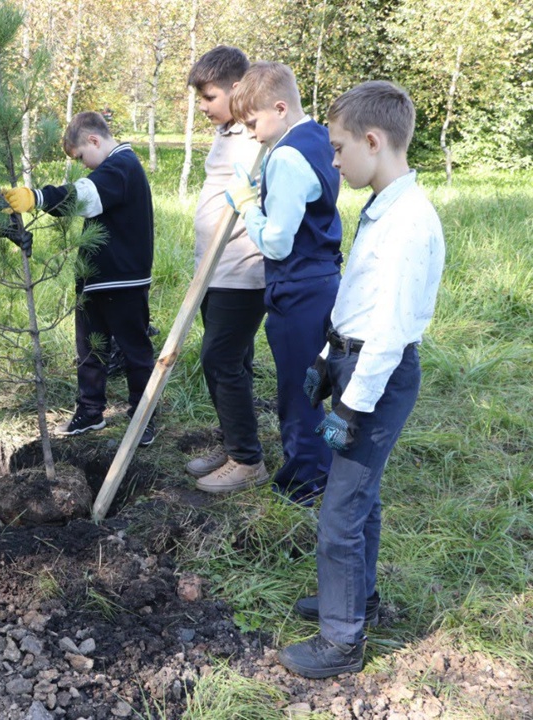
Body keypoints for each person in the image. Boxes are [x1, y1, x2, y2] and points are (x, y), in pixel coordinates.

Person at [278, 81, 445, 678]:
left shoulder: (409, 224)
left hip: (377, 374)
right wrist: (326, 357)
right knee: (360, 498)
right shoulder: (384, 209)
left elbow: (392, 329)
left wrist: (350, 407)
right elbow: (360, 300)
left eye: (339, 147)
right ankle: (358, 599)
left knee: (341, 509)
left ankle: (341, 641)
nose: (334, 159)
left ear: (373, 141)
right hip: (355, 363)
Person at [2, 111, 156, 447]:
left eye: (82, 157)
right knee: (89, 348)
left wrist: (37, 197)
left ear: (94, 140)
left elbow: (84, 196)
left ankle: (143, 417)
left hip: (124, 281)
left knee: (135, 350)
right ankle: (90, 411)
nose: (84, 164)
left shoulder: (122, 166)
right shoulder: (112, 166)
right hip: (95, 280)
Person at [226, 62, 342, 503]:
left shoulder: (289, 156)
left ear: (279, 107)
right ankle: (324, 468)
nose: (253, 134)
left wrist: (247, 206)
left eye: (254, 123)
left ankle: (307, 483)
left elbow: (275, 242)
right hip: (323, 278)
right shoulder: (316, 138)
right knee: (314, 383)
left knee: (298, 392)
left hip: (298, 288)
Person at [183, 46, 269, 492]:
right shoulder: (227, 132)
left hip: (241, 268)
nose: (202, 106)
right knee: (234, 361)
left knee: (219, 359)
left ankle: (247, 461)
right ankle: (236, 441)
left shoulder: (258, 138)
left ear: (238, 89)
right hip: (213, 270)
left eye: (210, 97)